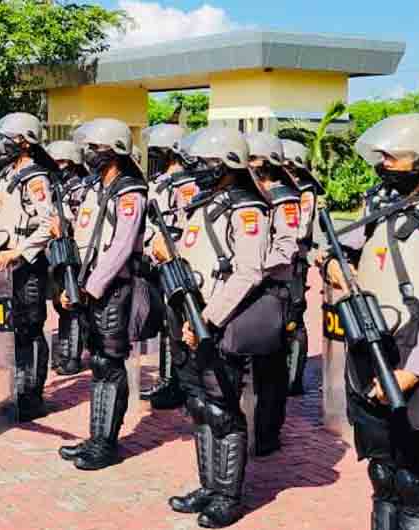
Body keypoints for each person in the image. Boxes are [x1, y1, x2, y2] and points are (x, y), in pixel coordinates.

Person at [154, 127, 283, 528]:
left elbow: (247, 273)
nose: (197, 168)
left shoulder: (248, 209)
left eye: (206, 162)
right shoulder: (207, 202)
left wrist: (206, 318)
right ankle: (208, 486)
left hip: (218, 322)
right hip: (190, 315)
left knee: (223, 408)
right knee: (199, 404)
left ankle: (227, 495)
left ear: (227, 165)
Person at [318, 114, 419, 530]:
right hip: (370, 344)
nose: (382, 164)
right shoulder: (380, 201)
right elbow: (342, 247)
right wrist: (333, 263)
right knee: (383, 473)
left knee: (415, 481)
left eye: (392, 157)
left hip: (412, 357)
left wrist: (415, 371)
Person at [56, 118, 148, 470]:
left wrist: (91, 288)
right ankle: (96, 437)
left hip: (112, 289)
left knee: (110, 364)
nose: (89, 154)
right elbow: (86, 234)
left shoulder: (130, 193)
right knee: (97, 363)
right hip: (90, 288)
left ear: (116, 151)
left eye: (96, 148)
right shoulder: (97, 187)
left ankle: (107, 444)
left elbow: (121, 247)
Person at [0, 112, 55, 421]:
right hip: (3, 265)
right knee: (10, 329)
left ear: (24, 141)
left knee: (29, 328)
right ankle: (15, 389)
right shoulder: (9, 174)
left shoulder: (36, 178)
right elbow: (4, 217)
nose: (0, 146)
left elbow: (50, 223)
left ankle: (31, 395)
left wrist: (20, 250)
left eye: (6, 140)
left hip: (26, 266)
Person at [245, 132, 300, 457]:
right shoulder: (248, 195)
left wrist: (256, 266)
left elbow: (287, 246)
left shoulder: (284, 198)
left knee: (271, 368)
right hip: (248, 287)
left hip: (274, 287)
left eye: (251, 159)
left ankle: (268, 432)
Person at [140, 123, 191, 410]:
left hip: (173, 258)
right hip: (157, 257)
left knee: (176, 323)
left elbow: (183, 223)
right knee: (165, 324)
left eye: (157, 152)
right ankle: (168, 378)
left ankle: (179, 383)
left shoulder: (184, 183)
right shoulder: (161, 181)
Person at [281, 139, 323, 396]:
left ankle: (294, 379)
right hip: (282, 261)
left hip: (295, 260)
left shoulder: (305, 191)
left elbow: (300, 227)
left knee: (294, 316)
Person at [45, 139, 90, 375]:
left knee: (72, 303)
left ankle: (72, 355)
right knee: (60, 303)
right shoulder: (56, 186)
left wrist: (65, 223)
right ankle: (64, 352)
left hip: (74, 249)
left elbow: (82, 219)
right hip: (58, 249)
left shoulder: (80, 187)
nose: (57, 166)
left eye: (61, 161)